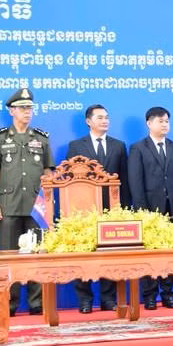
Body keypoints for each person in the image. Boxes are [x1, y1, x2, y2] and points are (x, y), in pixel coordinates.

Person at [0, 88, 55, 316]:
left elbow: (48, 173)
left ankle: (37, 302)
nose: (28, 112)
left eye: (30, 108)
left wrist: (49, 205)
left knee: (37, 253)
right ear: (12, 111)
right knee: (8, 255)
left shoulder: (42, 138)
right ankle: (10, 303)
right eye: (23, 108)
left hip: (36, 206)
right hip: (9, 203)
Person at [66, 104, 131, 313]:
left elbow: (124, 179)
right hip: (83, 209)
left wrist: (125, 207)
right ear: (89, 121)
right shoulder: (76, 146)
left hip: (111, 208)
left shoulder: (119, 146)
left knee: (110, 253)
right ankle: (85, 299)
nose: (105, 121)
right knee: (83, 253)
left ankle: (108, 298)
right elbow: (69, 179)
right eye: (100, 117)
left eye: (107, 117)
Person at [128, 106, 173, 310]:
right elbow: (135, 182)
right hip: (149, 210)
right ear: (149, 123)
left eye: (167, 121)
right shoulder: (138, 148)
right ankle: (150, 295)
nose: (165, 125)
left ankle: (169, 294)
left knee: (170, 252)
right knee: (149, 254)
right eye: (160, 121)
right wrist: (142, 212)